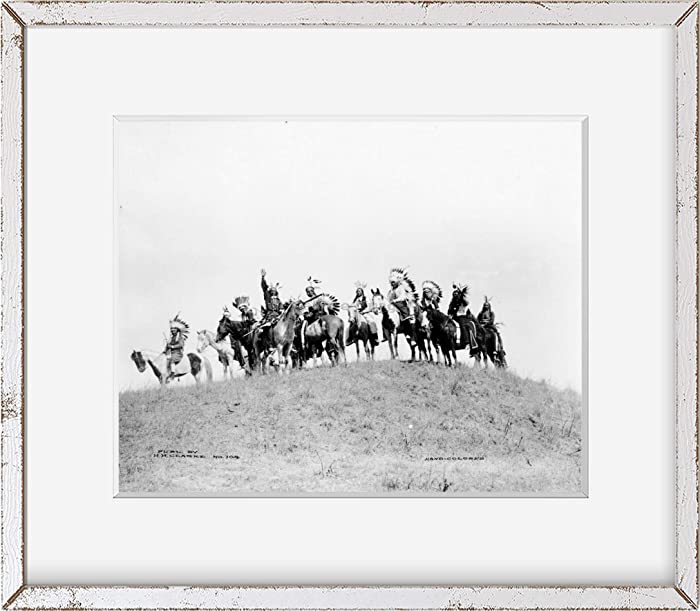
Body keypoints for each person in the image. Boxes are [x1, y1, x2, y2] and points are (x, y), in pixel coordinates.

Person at [447, 284, 478, 354]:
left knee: (463, 326)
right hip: (454, 317)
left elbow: (466, 303)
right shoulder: (452, 303)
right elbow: (449, 310)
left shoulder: (462, 301)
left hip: (463, 317)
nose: (455, 295)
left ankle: (467, 342)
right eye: (454, 294)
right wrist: (449, 315)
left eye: (456, 294)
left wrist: (461, 295)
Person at [165, 314, 189, 380]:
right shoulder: (171, 338)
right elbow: (168, 346)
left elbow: (180, 345)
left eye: (173, 329)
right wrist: (166, 348)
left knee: (172, 360)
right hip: (171, 353)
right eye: (171, 329)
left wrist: (172, 346)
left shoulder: (180, 337)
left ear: (177, 330)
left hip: (178, 353)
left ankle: (172, 373)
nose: (172, 331)